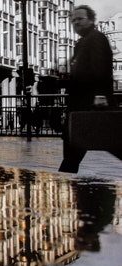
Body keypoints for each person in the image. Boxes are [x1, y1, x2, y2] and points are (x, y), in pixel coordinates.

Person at [58, 5, 117, 173]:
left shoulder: (96, 38)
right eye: (73, 20)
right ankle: (69, 183)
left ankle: (67, 185)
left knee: (73, 151)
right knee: (73, 151)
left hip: (88, 106)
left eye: (80, 19)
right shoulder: (82, 42)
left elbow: (101, 69)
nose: (76, 23)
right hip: (81, 106)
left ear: (91, 20)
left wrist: (99, 94)